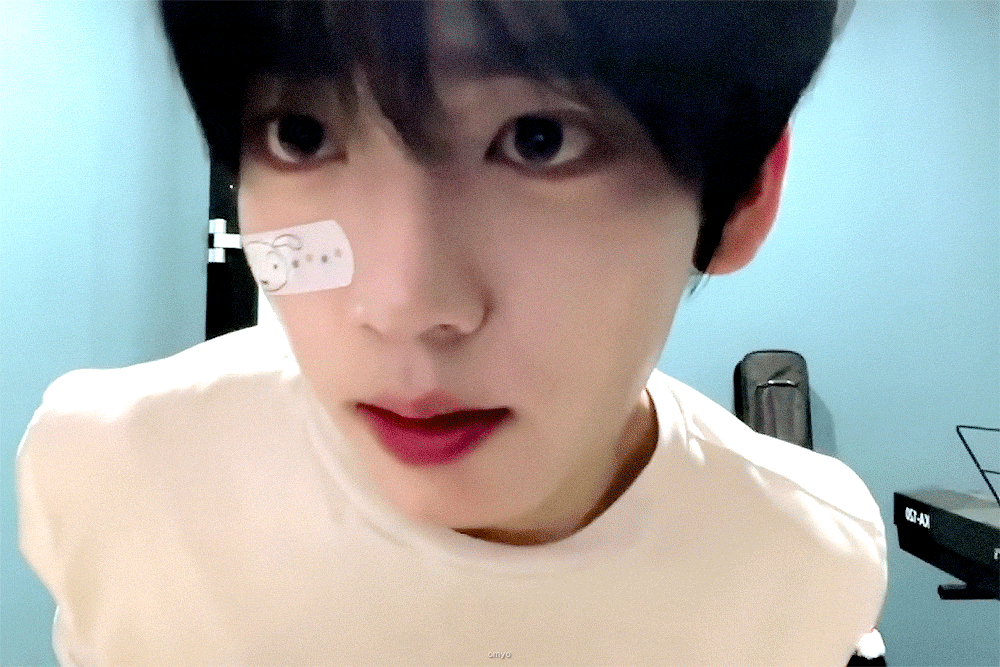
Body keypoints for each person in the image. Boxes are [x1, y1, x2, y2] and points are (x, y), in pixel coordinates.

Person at [17, 2, 887, 665]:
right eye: (300, 133)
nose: (401, 305)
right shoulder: (112, 472)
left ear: (742, 194)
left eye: (540, 139)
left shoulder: (805, 558)